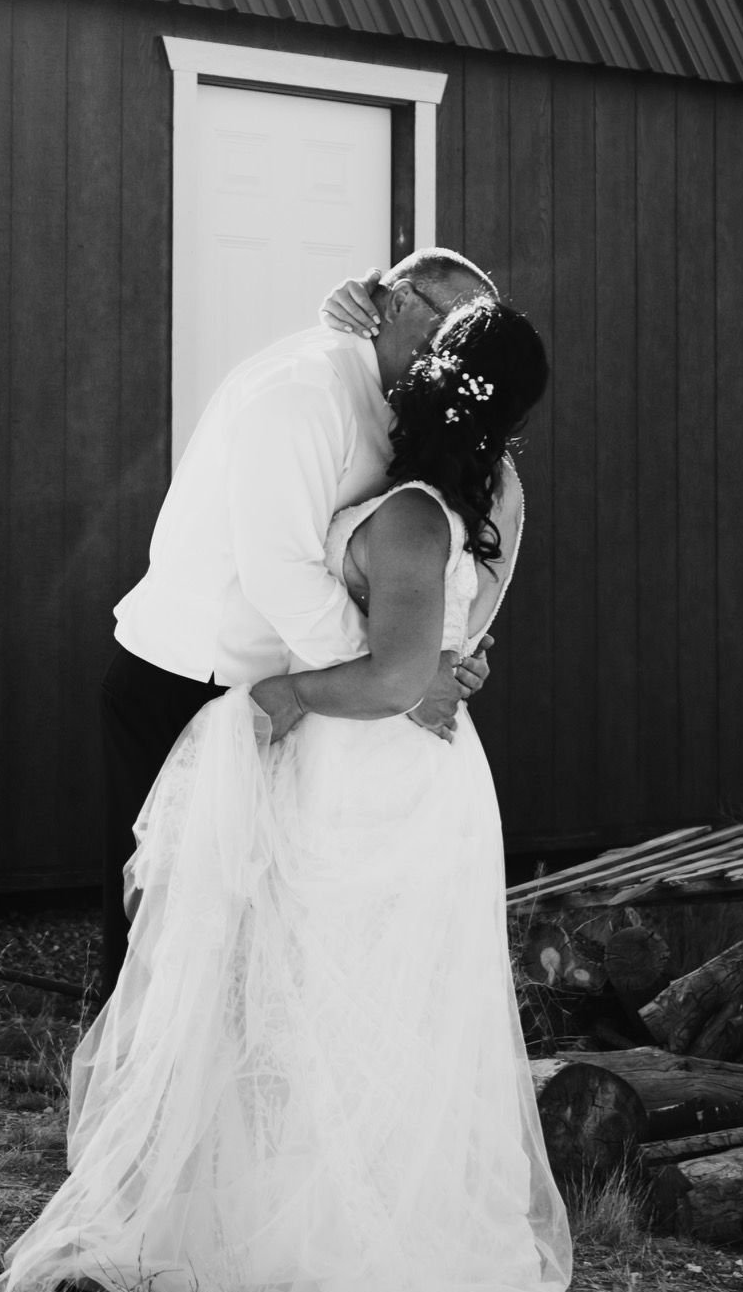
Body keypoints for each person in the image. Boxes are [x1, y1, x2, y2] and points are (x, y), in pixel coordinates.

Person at [0, 294, 602, 1292]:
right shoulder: (377, 443)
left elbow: (401, 665)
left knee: (313, 995)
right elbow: (427, 635)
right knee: (319, 995)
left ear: (430, 373)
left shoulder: (407, 503)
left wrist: (288, 697)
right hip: (393, 761)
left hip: (365, 769)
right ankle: (208, 1204)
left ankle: (290, 1243)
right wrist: (430, 664)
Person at [98, 246, 502, 989]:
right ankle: (132, 1091)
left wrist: (432, 652)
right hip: (193, 673)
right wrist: (395, 679)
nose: (459, 354)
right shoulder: (301, 391)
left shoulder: (399, 401)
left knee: (258, 920)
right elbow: (278, 571)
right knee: (167, 914)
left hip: (287, 683)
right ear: (400, 303)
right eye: (452, 329)